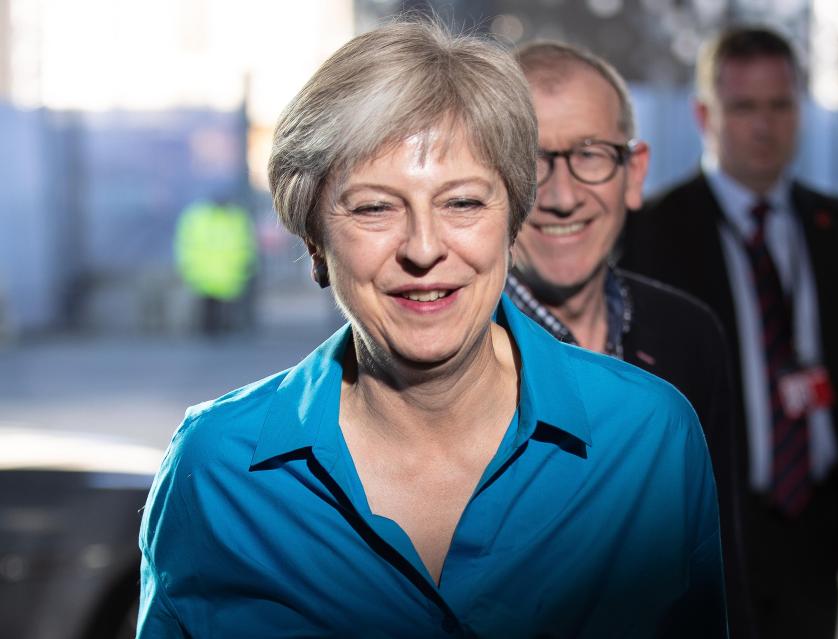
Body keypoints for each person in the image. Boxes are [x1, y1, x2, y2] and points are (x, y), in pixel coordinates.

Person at [138, 20, 727, 638]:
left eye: (463, 203)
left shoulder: (649, 438)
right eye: (374, 207)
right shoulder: (215, 470)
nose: (423, 248)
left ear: (511, 221)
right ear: (315, 240)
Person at [619, 25, 838, 639]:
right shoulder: (650, 235)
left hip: (814, 530)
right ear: (704, 114)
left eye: (780, 105)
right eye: (743, 106)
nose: (764, 125)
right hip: (708, 530)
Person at [510, 41, 753, 637]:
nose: (562, 195)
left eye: (591, 154)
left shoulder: (691, 336)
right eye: (530, 160)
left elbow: (719, 568)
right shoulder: (448, 356)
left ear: (635, 173)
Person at [174, 197, 257, 335]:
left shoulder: (198, 217)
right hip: (225, 274)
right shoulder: (237, 218)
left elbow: (247, 245)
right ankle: (219, 330)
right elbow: (247, 245)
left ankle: (215, 330)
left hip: (214, 274)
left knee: (215, 312)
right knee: (218, 311)